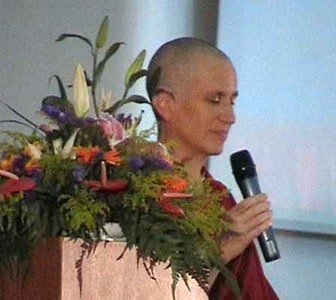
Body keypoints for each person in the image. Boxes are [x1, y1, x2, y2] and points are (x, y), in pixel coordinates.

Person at [146, 37, 279, 299]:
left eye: (232, 101)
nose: (230, 117)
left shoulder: (221, 200)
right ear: (165, 104)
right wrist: (221, 248)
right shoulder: (135, 194)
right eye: (215, 99)